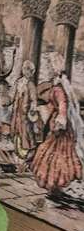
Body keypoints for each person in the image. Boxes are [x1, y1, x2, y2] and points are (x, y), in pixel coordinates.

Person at [31, 52, 84, 191]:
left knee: (56, 150)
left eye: (51, 65)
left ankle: (58, 181)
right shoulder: (58, 83)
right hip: (56, 121)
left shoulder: (59, 87)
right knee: (55, 150)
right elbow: (54, 103)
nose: (48, 67)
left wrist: (60, 119)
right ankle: (58, 182)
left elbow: (63, 104)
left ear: (55, 67)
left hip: (60, 124)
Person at [9, 59, 42, 162]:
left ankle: (28, 149)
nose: (26, 71)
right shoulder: (19, 82)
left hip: (26, 111)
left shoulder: (31, 85)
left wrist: (33, 108)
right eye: (24, 69)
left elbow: (34, 99)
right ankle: (18, 148)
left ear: (32, 72)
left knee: (26, 129)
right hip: (17, 109)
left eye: (29, 70)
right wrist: (9, 101)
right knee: (16, 127)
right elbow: (14, 95)